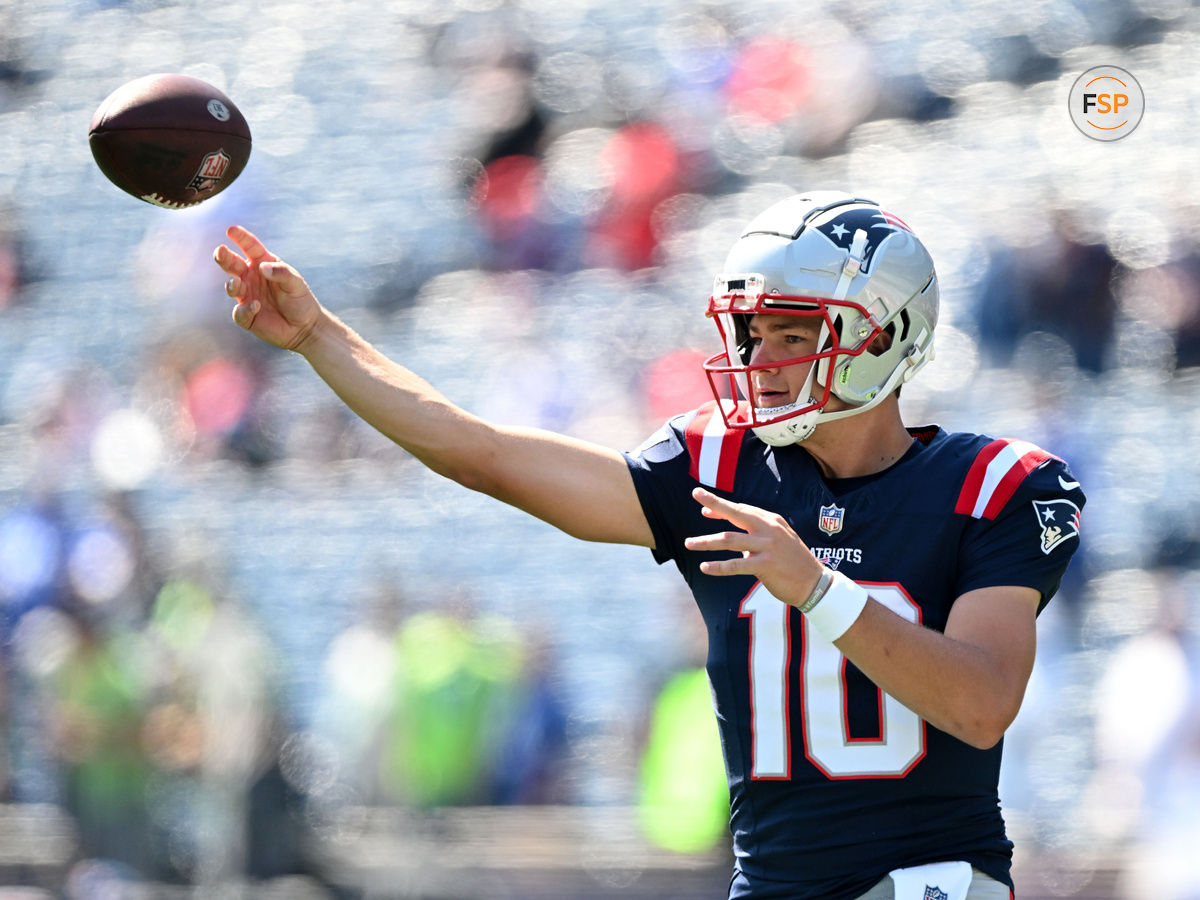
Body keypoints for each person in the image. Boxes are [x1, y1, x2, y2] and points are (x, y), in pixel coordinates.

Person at [213, 191, 1085, 900]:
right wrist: (318, 340)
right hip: (772, 885)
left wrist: (817, 588)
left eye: (793, 332)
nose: (763, 358)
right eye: (752, 333)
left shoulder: (994, 487)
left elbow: (979, 704)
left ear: (885, 333)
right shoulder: (722, 467)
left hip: (930, 884)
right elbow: (483, 453)